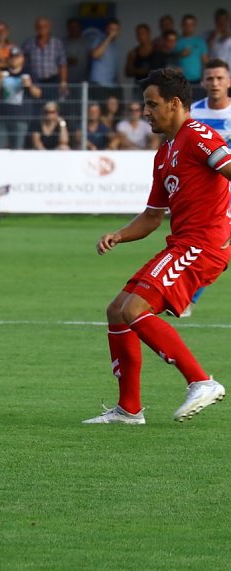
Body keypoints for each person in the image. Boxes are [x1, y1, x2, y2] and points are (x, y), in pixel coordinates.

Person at [84, 67, 231, 427]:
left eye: (151, 104)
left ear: (175, 103)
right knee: (117, 310)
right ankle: (129, 410)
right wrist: (119, 235)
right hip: (181, 243)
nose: (145, 112)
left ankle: (201, 381)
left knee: (134, 308)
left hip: (203, 244)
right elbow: (152, 217)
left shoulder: (198, 136)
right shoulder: (165, 153)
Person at [176, 58, 231, 317]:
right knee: (208, 246)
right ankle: (186, 295)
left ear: (229, 81)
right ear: (203, 82)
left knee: (221, 247)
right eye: (210, 78)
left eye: (220, 78)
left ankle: (188, 297)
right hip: (208, 192)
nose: (215, 83)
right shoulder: (193, 114)